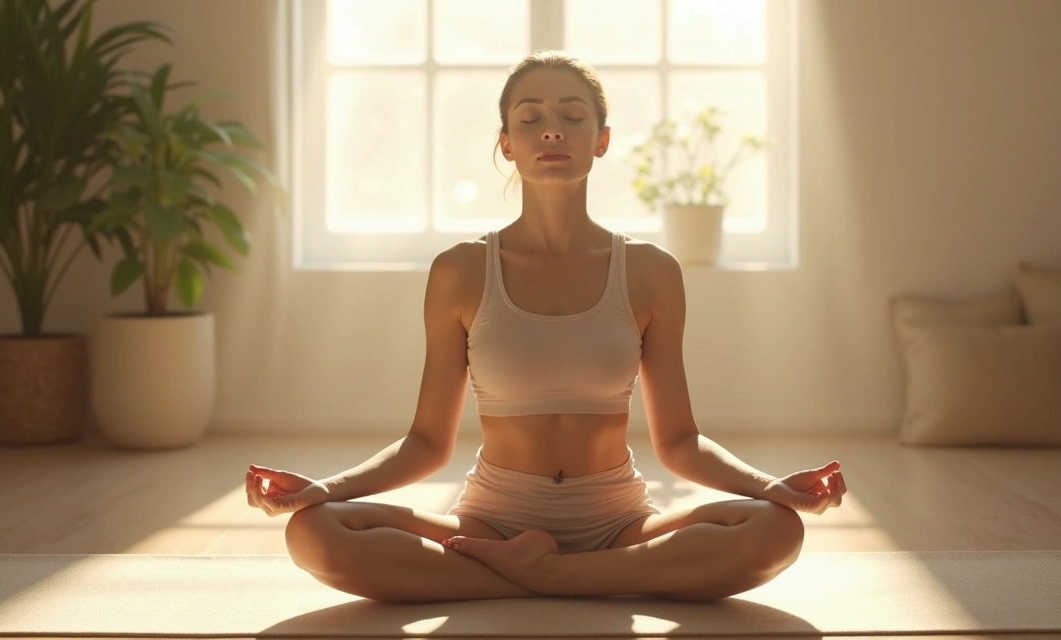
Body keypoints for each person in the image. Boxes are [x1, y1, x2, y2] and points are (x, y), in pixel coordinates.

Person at [244, 50, 846, 603]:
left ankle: (539, 576)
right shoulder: (459, 271)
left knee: (775, 530)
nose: (551, 129)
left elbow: (680, 443)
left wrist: (773, 488)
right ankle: (561, 576)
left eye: (572, 115)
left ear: (602, 140)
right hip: (492, 522)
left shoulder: (650, 271)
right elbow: (427, 443)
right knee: (314, 533)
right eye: (529, 119)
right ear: (506, 144)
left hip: (618, 522)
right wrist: (325, 489)